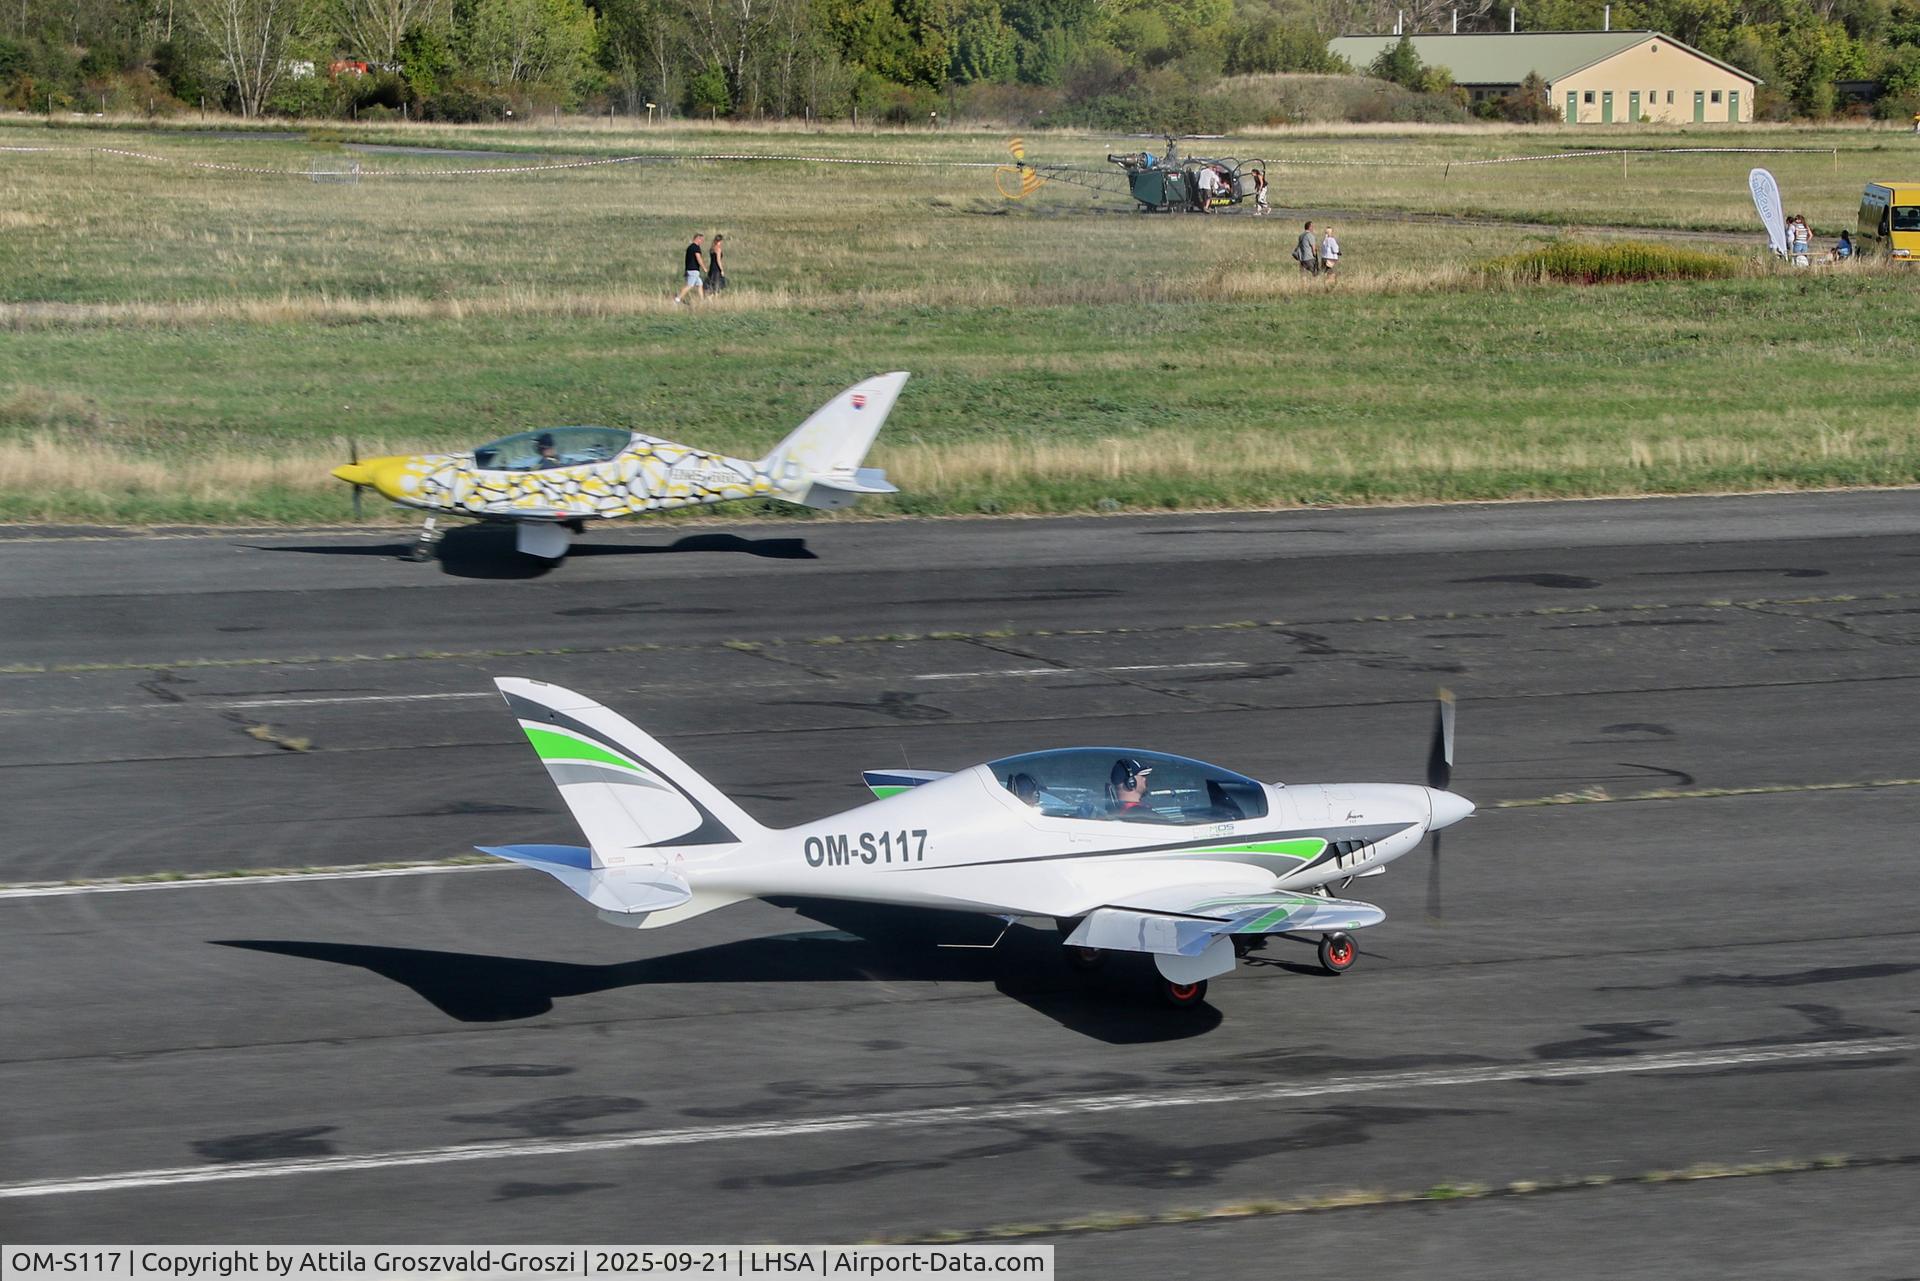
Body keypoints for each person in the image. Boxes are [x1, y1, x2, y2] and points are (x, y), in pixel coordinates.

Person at [674, 232, 704, 304]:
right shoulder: (696, 247)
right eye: (701, 240)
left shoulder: (690, 247)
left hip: (689, 269)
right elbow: (698, 258)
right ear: (697, 239)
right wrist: (704, 267)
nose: (702, 242)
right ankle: (677, 299)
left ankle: (702, 301)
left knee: (700, 284)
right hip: (693, 270)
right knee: (689, 285)